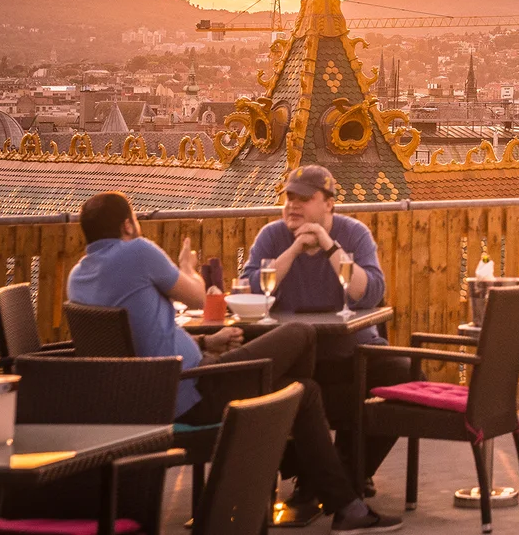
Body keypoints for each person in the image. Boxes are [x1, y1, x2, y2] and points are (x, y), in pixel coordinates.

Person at [65, 190, 400, 531]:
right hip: (191, 393)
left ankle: (346, 507)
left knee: (303, 391)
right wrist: (188, 270)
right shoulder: (137, 251)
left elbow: (139, 337)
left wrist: (205, 341)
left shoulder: (77, 277)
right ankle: (289, 441)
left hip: (144, 399)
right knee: (301, 334)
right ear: (128, 225)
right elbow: (200, 298)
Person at [243, 165, 413, 497]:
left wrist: (328, 245)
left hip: (350, 353)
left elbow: (369, 293)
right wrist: (294, 250)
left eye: (304, 198)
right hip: (296, 359)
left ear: (329, 204)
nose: (293, 205)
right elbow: (252, 290)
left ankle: (349, 472)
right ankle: (322, 476)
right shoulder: (272, 236)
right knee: (264, 384)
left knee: (404, 375)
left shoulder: (354, 234)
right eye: (289, 197)